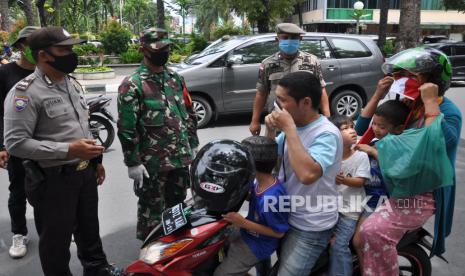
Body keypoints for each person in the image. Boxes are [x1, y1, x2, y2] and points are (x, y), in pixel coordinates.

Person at [3, 26, 122, 276]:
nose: (71, 54)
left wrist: (95, 161)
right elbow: (16, 143)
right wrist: (69, 150)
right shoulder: (24, 92)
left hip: (84, 174)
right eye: (64, 49)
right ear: (44, 55)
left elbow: (82, 126)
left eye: (71, 48)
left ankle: (98, 269)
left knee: (89, 230)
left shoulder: (70, 83)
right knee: (56, 244)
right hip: (53, 181)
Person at [356, 47, 462, 275]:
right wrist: (378, 94)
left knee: (373, 232)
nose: (402, 81)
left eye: (411, 76)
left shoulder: (446, 110)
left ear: (432, 82)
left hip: (422, 192)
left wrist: (432, 104)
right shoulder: (409, 104)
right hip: (392, 181)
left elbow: (442, 144)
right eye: (399, 75)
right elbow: (362, 129)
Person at [117, 27, 199, 241]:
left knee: (178, 209)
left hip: (180, 159)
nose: (165, 52)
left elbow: (188, 113)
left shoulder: (175, 78)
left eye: (167, 47)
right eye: (159, 48)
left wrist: (193, 143)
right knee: (152, 213)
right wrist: (132, 162)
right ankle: (151, 254)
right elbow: (127, 127)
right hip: (152, 164)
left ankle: (174, 249)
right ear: (143, 49)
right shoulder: (132, 84)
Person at [264, 71, 342, 275]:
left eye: (283, 100)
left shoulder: (326, 134)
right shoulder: (294, 126)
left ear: (306, 102)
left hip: (311, 225)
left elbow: (307, 175)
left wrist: (288, 128)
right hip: (286, 214)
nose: (277, 106)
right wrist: (271, 132)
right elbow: (273, 165)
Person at [213, 136, 289, 276]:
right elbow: (254, 198)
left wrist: (242, 222)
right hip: (246, 232)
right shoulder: (259, 181)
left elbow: (279, 232)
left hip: (258, 244)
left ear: (251, 165)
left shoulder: (273, 198)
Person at [351, 99, 410, 270]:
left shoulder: (399, 149)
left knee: (358, 241)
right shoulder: (375, 143)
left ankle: (368, 271)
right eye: (374, 124)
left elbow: (395, 172)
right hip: (362, 198)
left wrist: (374, 152)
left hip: (379, 202)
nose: (376, 129)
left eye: (382, 127)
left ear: (399, 129)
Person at [249, 23, 330, 136]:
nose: (289, 41)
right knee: (277, 152)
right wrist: (254, 121)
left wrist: (327, 118)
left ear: (300, 39)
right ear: (277, 40)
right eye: (285, 38)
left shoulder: (312, 61)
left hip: (306, 123)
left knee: (303, 153)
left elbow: (321, 89)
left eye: (294, 38)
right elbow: (261, 93)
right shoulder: (267, 64)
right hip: (278, 123)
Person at [0, 25, 39, 259]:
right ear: (21, 47)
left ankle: (53, 228)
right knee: (18, 191)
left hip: (46, 145)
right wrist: (1, 146)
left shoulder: (47, 72)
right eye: (31, 44)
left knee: (51, 189)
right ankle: (19, 233)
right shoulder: (6, 74)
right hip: (16, 144)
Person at [327, 115, 370, 276]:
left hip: (350, 212)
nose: (352, 131)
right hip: (331, 209)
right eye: (345, 128)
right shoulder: (330, 156)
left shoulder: (360, 156)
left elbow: (361, 181)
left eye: (352, 126)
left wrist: (344, 180)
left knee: (338, 246)